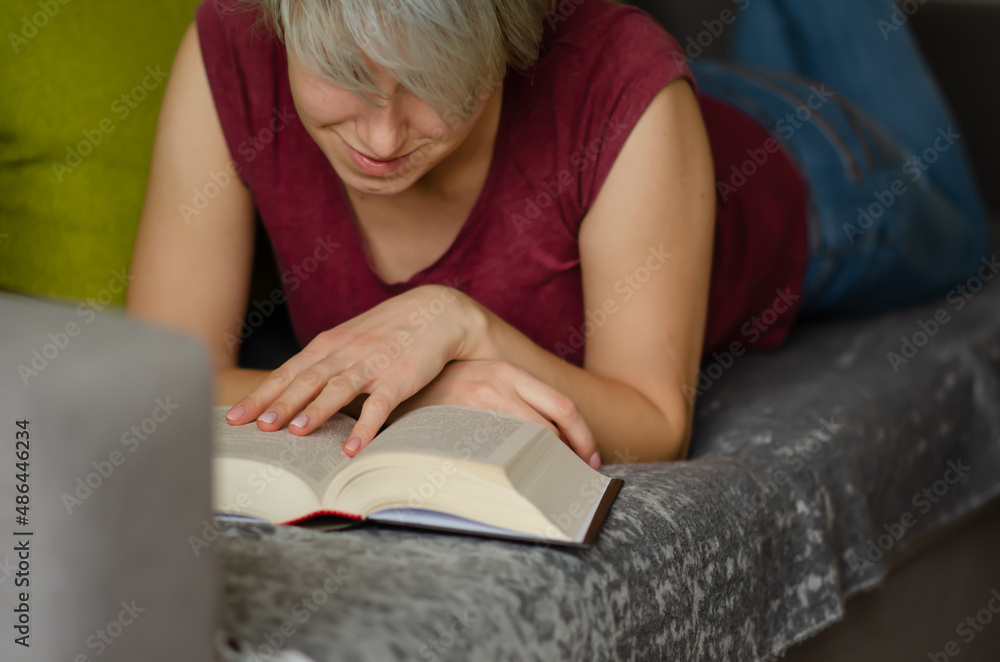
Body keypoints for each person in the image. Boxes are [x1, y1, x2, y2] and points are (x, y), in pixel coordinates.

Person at [125, 0, 990, 466]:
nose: (381, 140)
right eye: (346, 78)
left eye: (436, 87)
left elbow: (654, 422)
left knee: (967, 242)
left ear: (510, 37)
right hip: (650, 138)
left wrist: (463, 325)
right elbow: (163, 377)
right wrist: (421, 394)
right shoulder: (233, 41)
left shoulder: (625, 87)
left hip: (803, 164)